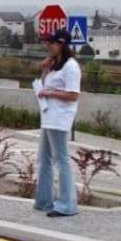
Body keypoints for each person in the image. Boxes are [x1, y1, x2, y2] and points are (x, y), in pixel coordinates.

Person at [35, 28, 81, 217]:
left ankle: (67, 204)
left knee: (61, 160)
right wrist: (45, 70)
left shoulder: (71, 66)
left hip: (60, 119)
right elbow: (45, 85)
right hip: (48, 117)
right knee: (44, 159)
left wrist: (50, 93)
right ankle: (45, 200)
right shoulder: (55, 64)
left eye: (51, 43)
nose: (48, 46)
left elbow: (73, 95)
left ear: (61, 44)